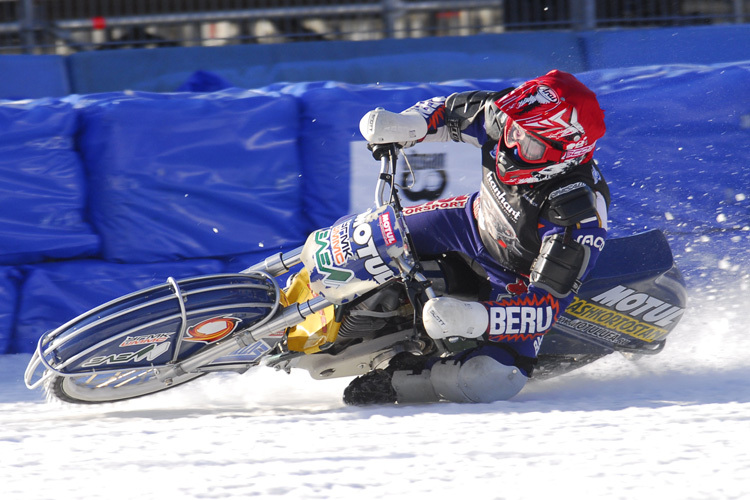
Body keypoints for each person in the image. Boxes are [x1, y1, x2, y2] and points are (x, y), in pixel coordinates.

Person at [343, 70, 610, 405]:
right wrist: (409, 124)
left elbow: (544, 309)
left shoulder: (575, 212)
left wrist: (475, 319)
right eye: (512, 130)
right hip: (470, 221)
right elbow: (450, 111)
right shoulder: (509, 116)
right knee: (371, 234)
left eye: (526, 143)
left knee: (485, 379)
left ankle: (405, 372)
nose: (509, 144)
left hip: (517, 282)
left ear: (565, 152)